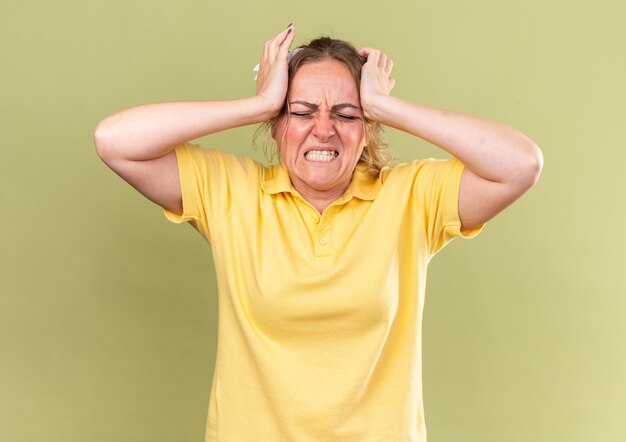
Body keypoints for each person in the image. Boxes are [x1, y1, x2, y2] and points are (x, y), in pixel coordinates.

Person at [94, 24, 542, 442]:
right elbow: (114, 140)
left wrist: (386, 106)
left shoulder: (411, 197)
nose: (323, 129)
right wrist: (256, 104)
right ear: (277, 123)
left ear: (367, 129)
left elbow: (520, 164)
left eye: (346, 115)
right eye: (301, 112)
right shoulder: (230, 191)